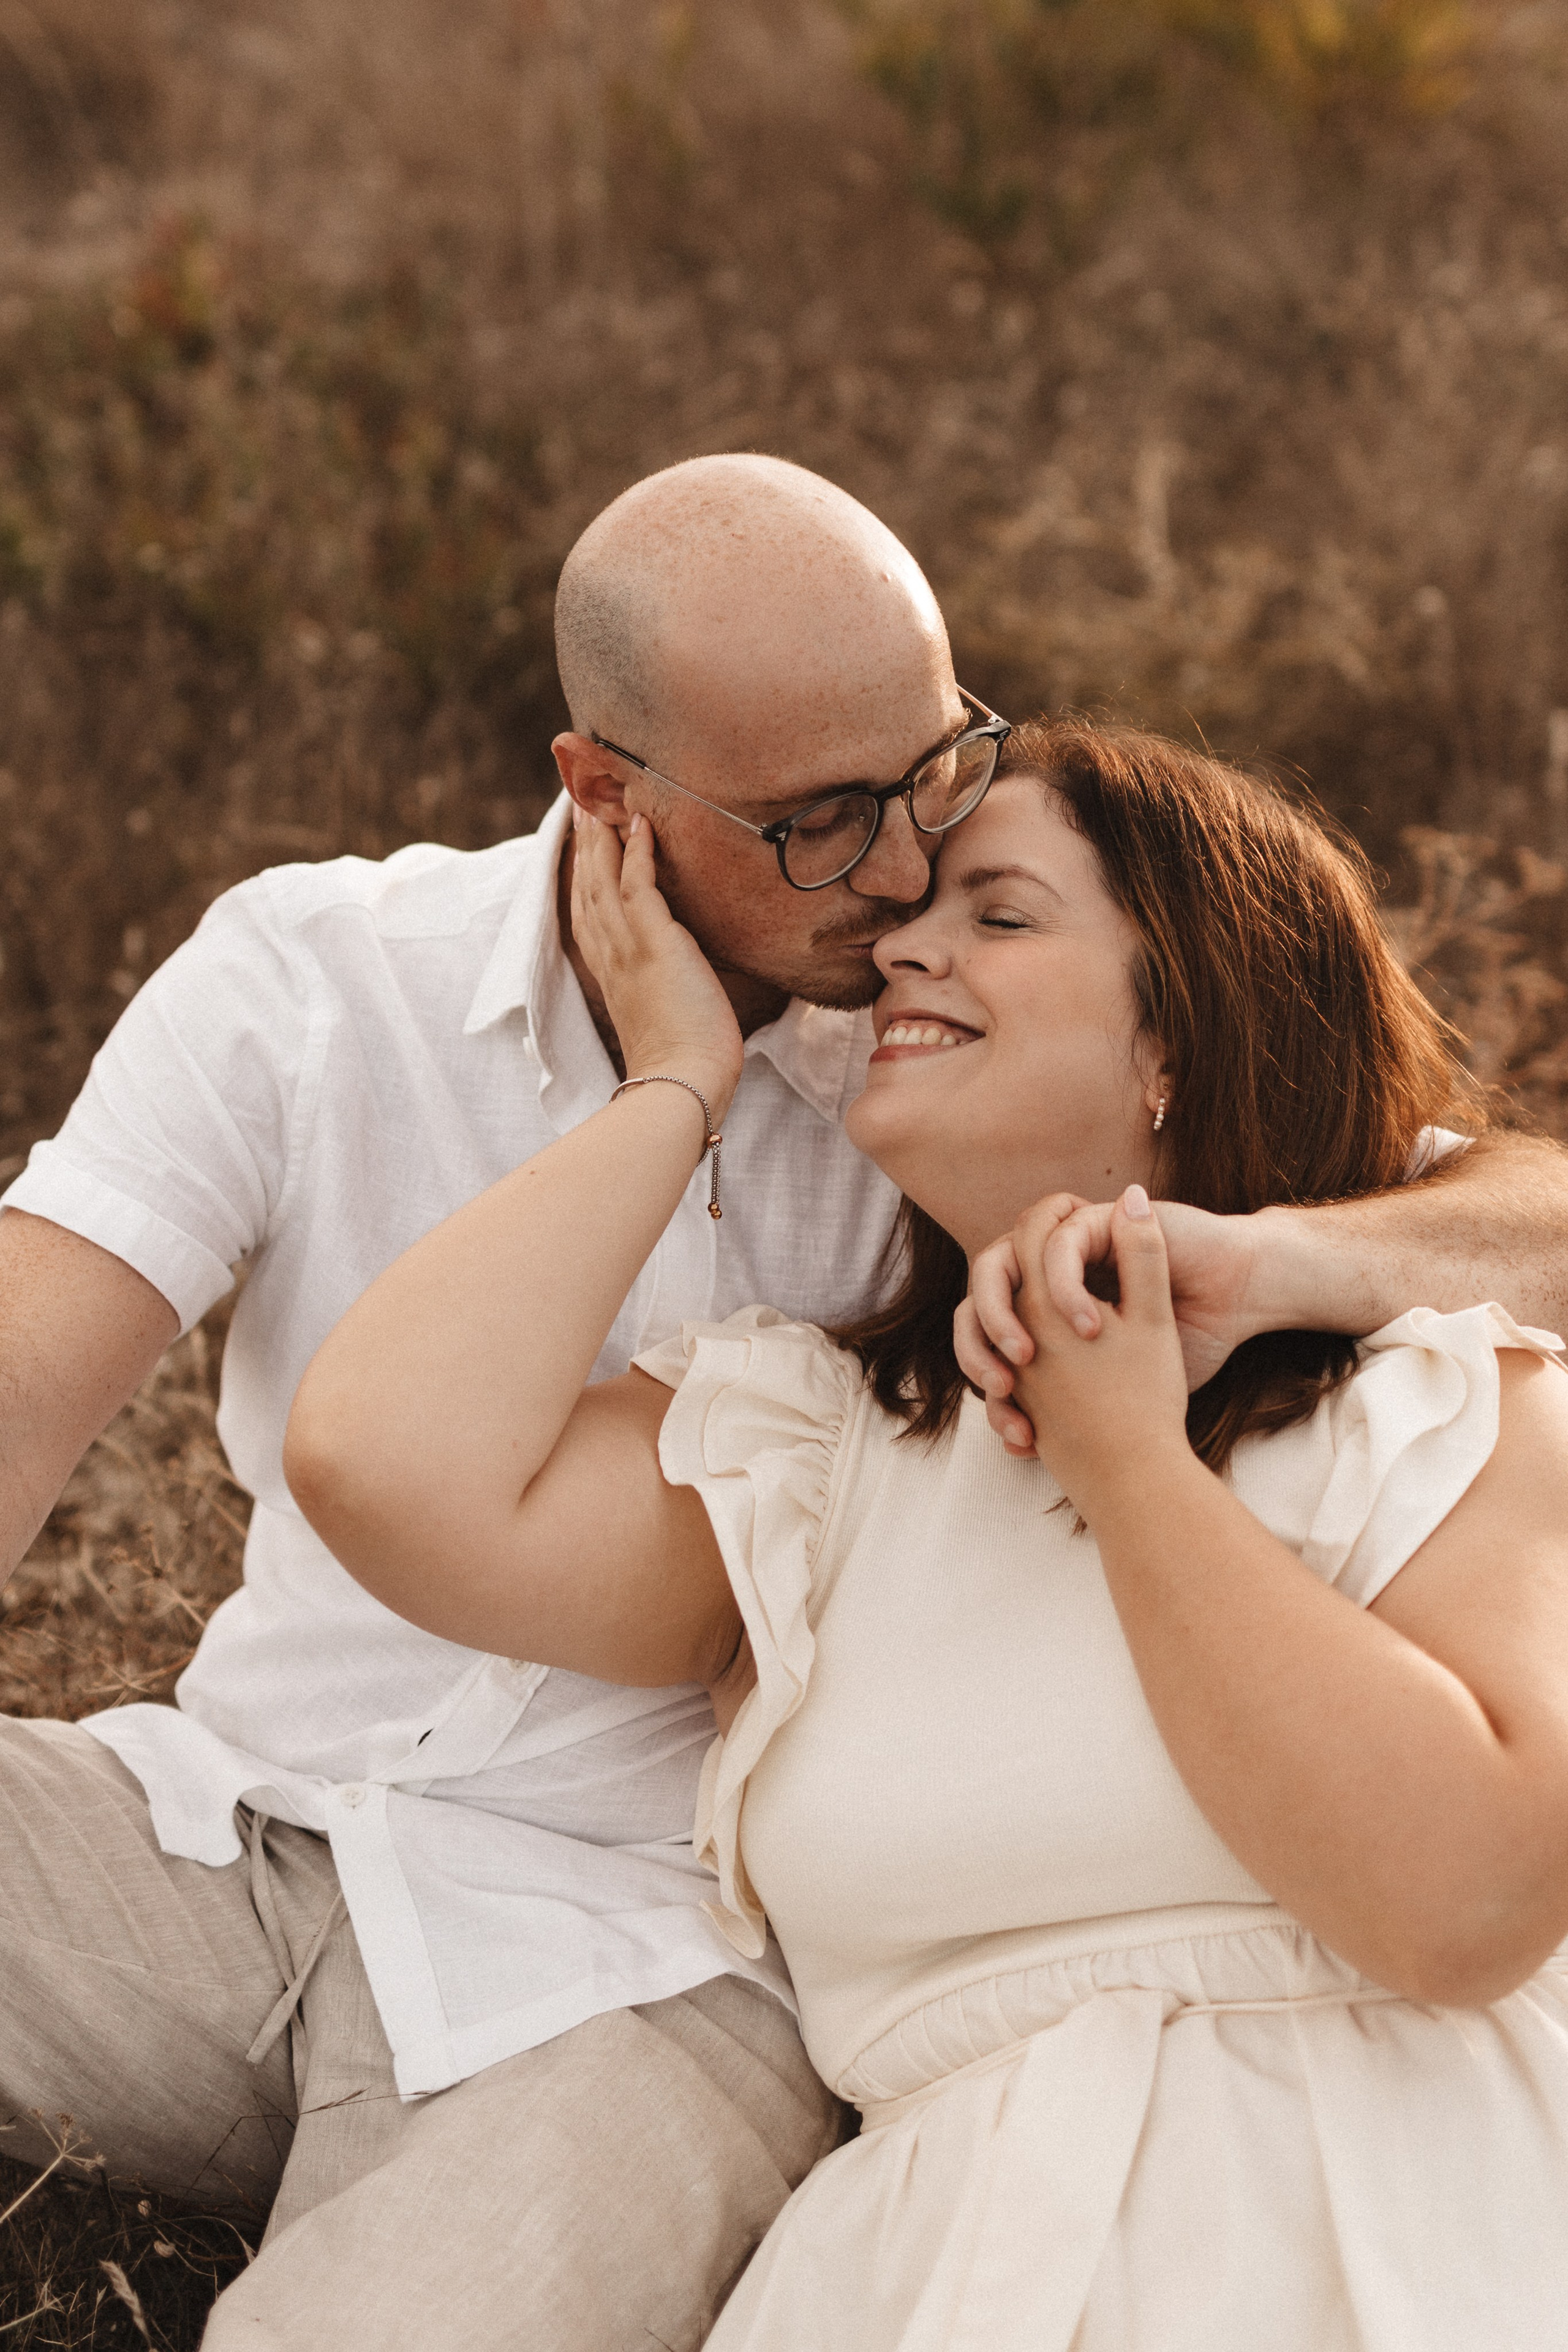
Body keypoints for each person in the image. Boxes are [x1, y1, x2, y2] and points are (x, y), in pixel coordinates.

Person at [0, 454, 1561, 2350]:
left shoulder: (987, 1101)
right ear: (606, 794)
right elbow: (210, 1428)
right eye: (827, 823)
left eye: (934, 778)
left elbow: (1478, 1188)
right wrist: (678, 1084)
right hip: (223, 1831)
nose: (901, 887)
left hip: (634, 1961)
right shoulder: (333, 985)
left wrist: (1272, 1263)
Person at [287, 717, 1568, 2351]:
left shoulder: (1437, 1394)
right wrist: (679, 1080)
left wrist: (1129, 1463)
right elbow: (384, 1463)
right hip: (929, 2275)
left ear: (1175, 1036)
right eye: (918, 916)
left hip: (1377, 2237)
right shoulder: (822, 1454)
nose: (901, 942)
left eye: (999, 914)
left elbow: (1461, 1903)